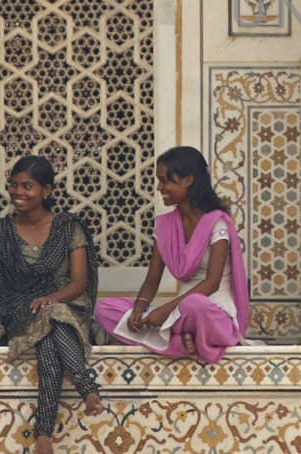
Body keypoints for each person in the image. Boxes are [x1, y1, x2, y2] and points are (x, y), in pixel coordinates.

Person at [0, 155, 105, 454]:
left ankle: (43, 430)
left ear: (46, 191)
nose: (17, 192)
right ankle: (87, 388)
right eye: (13, 185)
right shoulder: (1, 231)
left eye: (27, 186)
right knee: (51, 323)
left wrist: (51, 298)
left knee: (52, 330)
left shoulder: (67, 227)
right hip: (19, 308)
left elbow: (79, 283)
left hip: (67, 304)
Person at [94, 146, 249, 362]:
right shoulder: (165, 226)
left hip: (211, 313)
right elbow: (152, 279)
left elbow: (212, 283)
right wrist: (139, 309)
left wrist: (165, 312)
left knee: (194, 304)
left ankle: (182, 338)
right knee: (104, 309)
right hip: (178, 315)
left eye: (166, 181)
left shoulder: (216, 222)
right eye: (159, 181)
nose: (160, 187)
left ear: (188, 180)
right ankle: (185, 342)